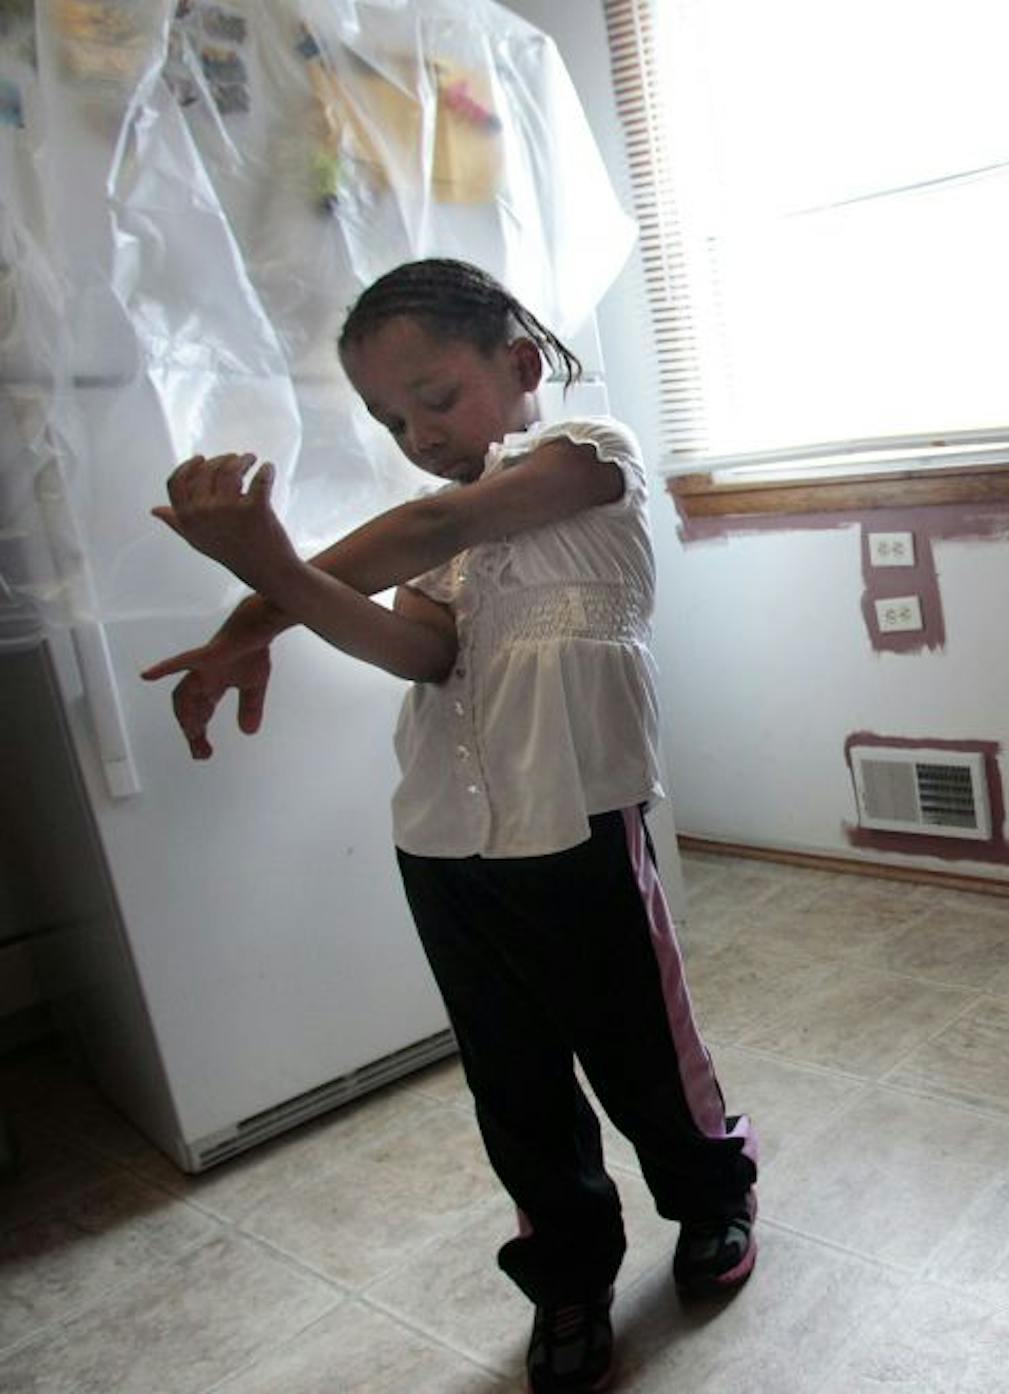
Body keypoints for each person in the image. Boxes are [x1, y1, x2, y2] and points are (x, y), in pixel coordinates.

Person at [143, 258, 757, 1394]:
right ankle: (570, 1272)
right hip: (443, 838)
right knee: (510, 1077)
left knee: (641, 1046)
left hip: (577, 819)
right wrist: (283, 607)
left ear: (519, 366)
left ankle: (714, 1192)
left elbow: (429, 519)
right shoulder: (444, 551)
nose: (418, 433)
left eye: (436, 397)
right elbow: (418, 652)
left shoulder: (585, 456)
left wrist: (255, 595)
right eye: (390, 417)